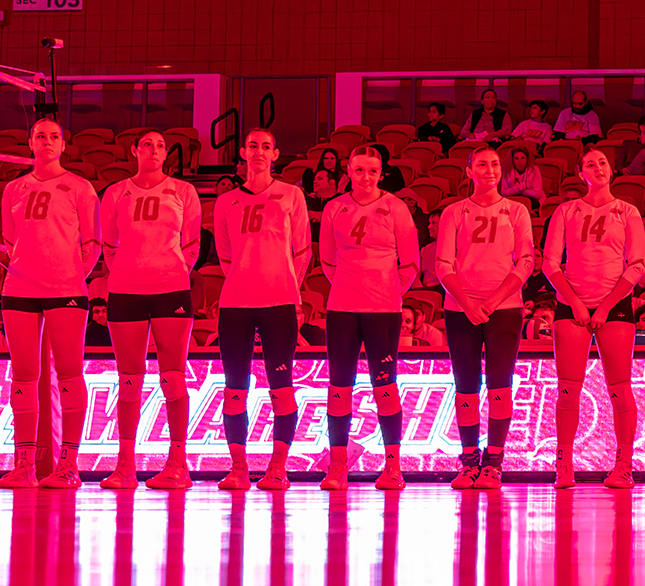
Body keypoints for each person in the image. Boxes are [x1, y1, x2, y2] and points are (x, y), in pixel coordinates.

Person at [97, 130, 201, 489]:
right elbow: (109, 245)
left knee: (172, 374)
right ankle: (125, 465)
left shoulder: (184, 191)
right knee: (129, 377)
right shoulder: (116, 192)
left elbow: (192, 244)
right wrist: (131, 271)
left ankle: (178, 463)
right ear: (134, 151)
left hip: (171, 288)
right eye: (147, 145)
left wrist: (168, 272)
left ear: (166, 152)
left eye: (159, 145)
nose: (154, 150)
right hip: (125, 289)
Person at [0, 119, 101, 489]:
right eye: (40, 136)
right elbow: (9, 243)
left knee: (70, 373)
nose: (46, 141)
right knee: (24, 374)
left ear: (64, 145)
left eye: (53, 136)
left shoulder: (79, 187)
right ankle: (23, 463)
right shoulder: (14, 188)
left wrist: (71, 276)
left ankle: (68, 465)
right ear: (29, 143)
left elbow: (93, 244)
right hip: (20, 289)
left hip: (65, 290)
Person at [210, 129, 311, 491]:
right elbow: (224, 255)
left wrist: (288, 287)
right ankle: (239, 467)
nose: (258, 152)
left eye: (265, 146)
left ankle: (277, 467)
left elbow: (302, 251)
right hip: (236, 303)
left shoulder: (291, 195)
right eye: (252, 146)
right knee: (234, 387)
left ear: (276, 154)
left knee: (281, 387)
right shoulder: (226, 202)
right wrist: (245, 278)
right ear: (242, 152)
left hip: (280, 302)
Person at [542, 147, 645, 488]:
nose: (597, 167)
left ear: (612, 170)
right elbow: (550, 263)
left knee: (620, 389)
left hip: (614, 305)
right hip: (571, 305)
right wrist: (573, 301)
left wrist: (605, 306)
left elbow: (637, 264)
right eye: (590, 163)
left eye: (602, 162)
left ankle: (624, 465)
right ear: (580, 172)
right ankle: (564, 464)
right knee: (568, 391)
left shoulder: (627, 211)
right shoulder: (566, 210)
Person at [316, 145, 419, 490]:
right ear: (348, 170)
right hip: (342, 308)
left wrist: (387, 290)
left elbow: (411, 263)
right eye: (359, 170)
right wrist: (351, 286)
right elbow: (328, 261)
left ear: (381, 173)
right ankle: (338, 465)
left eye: (372, 171)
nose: (365, 177)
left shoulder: (395, 207)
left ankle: (393, 466)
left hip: (384, 310)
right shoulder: (334, 208)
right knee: (338, 385)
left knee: (385, 385)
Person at [436, 146, 538, 489]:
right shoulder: (454, 212)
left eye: (495, 164)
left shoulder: (517, 210)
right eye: (482, 164)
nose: (490, 169)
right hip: (460, 308)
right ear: (469, 172)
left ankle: (494, 460)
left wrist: (493, 301)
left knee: (499, 383)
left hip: (504, 308)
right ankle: (468, 460)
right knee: (465, 385)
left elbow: (526, 261)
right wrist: (466, 302)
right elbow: (442, 264)